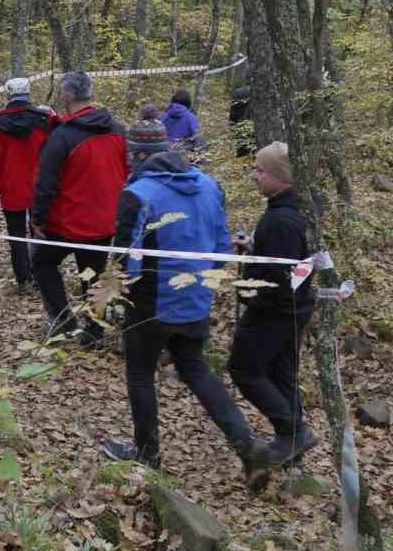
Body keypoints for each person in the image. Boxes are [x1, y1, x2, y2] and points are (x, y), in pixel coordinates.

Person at [99, 119, 281, 491]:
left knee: (139, 373)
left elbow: (124, 255)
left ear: (138, 155)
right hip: (195, 295)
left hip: (150, 301)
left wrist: (113, 294)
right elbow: (221, 244)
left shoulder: (138, 193)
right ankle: (247, 445)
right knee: (195, 369)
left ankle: (148, 454)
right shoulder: (209, 185)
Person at [229, 141, 318, 469]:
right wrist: (252, 248)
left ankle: (292, 432)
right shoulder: (283, 213)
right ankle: (293, 447)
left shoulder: (281, 220)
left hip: (275, 312)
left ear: (280, 176)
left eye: (260, 170)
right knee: (282, 376)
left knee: (243, 368)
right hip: (287, 311)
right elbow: (281, 261)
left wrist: (252, 294)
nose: (255, 176)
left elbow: (282, 276)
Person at [29, 71, 128, 346]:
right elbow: (127, 171)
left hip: (67, 223)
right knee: (93, 275)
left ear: (67, 96)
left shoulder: (62, 136)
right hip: (105, 221)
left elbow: (45, 183)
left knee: (42, 262)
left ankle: (63, 322)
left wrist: (37, 218)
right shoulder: (118, 129)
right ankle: (94, 333)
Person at [0, 77, 54, 296]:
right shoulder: (44, 120)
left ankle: (24, 280)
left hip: (11, 186)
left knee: (16, 235)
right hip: (39, 186)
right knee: (40, 232)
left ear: (8, 94)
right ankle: (42, 275)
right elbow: (53, 155)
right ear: (29, 93)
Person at [228, 86, 254, 157]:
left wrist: (232, 126)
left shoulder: (237, 92)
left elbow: (233, 114)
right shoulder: (255, 92)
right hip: (249, 122)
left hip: (240, 123)